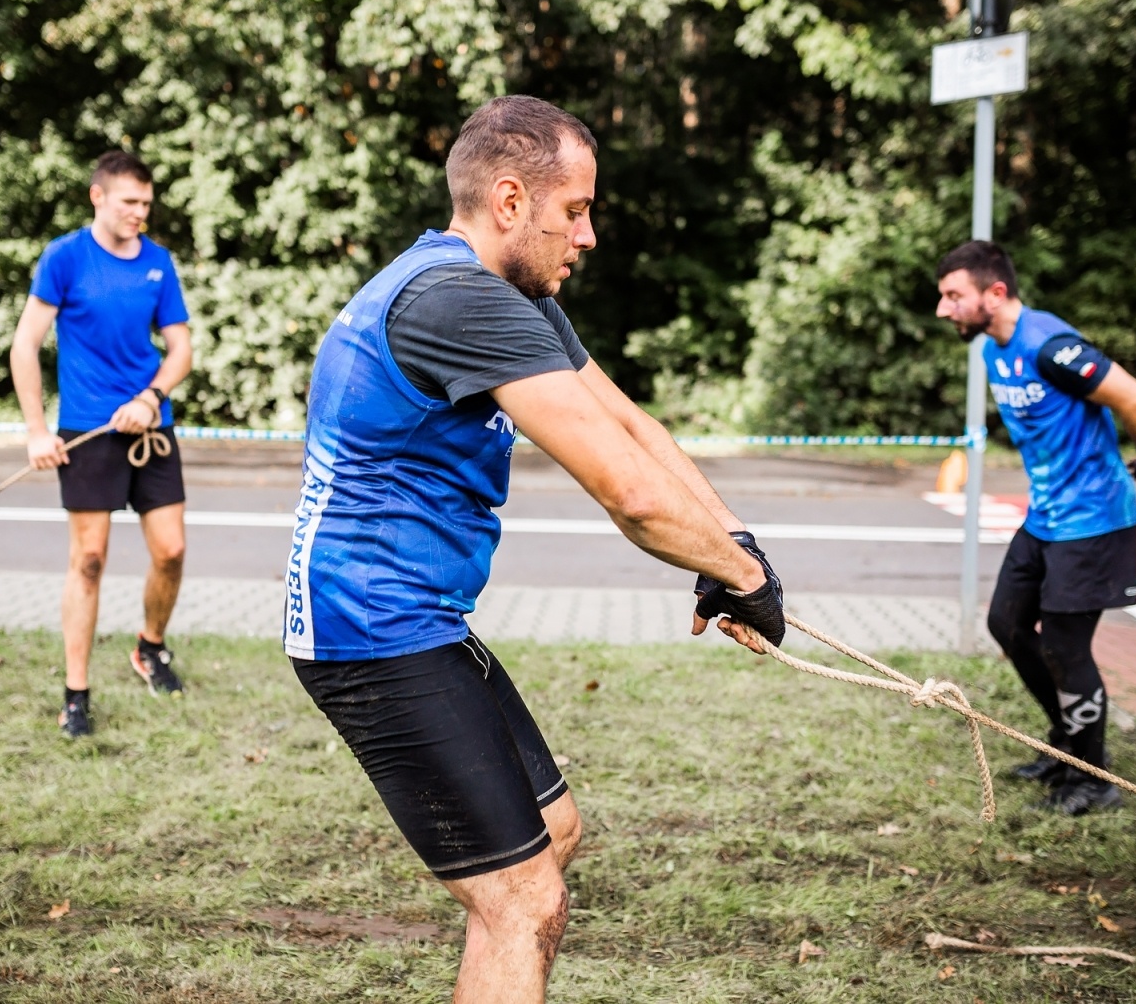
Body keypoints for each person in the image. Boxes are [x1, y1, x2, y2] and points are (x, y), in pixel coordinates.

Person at [283, 95, 788, 1002]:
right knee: (522, 897)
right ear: (510, 201)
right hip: (371, 632)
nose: (589, 235)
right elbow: (627, 496)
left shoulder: (507, 294)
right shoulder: (457, 300)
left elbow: (627, 426)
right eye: (577, 210)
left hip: (418, 621)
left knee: (551, 837)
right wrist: (739, 576)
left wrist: (737, 547)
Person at [935, 240, 1136, 816]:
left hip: (1093, 522)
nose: (943, 310)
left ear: (996, 292)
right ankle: (1066, 744)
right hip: (1045, 518)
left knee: (1066, 647)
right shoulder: (994, 349)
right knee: (1007, 624)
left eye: (953, 296)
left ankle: (1093, 778)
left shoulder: (1051, 348)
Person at [10, 149, 193, 738]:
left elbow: (181, 349)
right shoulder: (64, 258)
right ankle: (76, 692)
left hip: (150, 426)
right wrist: (37, 430)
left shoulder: (159, 264)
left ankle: (149, 647)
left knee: (171, 550)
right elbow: (25, 345)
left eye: (147, 203)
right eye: (130, 202)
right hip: (86, 431)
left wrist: (151, 395)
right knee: (88, 562)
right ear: (99, 197)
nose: (141, 212)